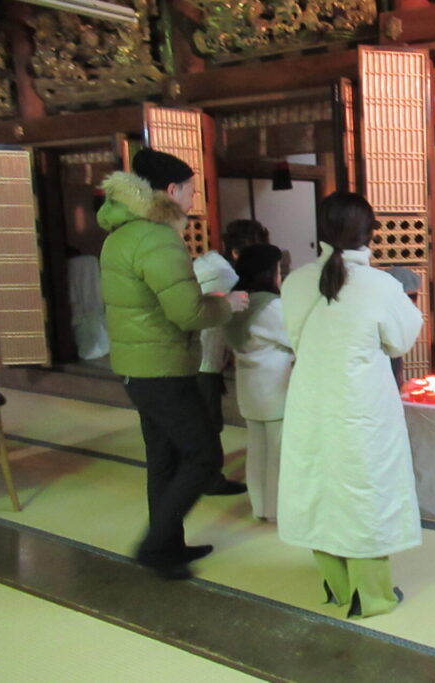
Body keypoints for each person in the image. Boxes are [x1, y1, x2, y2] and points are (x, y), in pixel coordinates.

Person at [98, 148, 249, 580]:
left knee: (163, 456)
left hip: (135, 365)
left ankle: (167, 547)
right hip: (162, 367)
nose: (192, 199)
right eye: (190, 190)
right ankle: (152, 545)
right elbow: (188, 313)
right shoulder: (155, 237)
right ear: (170, 190)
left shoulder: (120, 234)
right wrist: (226, 305)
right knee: (203, 456)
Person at [278, 191, 423, 618]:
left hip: (311, 399)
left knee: (318, 486)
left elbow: (295, 336)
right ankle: (372, 595)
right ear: (370, 233)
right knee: (365, 490)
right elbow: (401, 339)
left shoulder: (295, 281)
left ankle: (336, 584)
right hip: (362, 405)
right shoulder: (381, 285)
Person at [193, 219, 271, 497]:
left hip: (196, 355)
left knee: (202, 419)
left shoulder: (207, 263)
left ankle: (201, 475)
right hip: (203, 358)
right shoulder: (224, 276)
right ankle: (208, 478)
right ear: (237, 252)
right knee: (208, 420)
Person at [224, 244, 292, 522]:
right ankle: (278, 512)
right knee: (278, 452)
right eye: (279, 269)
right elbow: (296, 338)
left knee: (257, 449)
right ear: (268, 272)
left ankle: (260, 507)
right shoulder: (270, 306)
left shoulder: (236, 301)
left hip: (248, 389)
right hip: (274, 389)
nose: (281, 275)